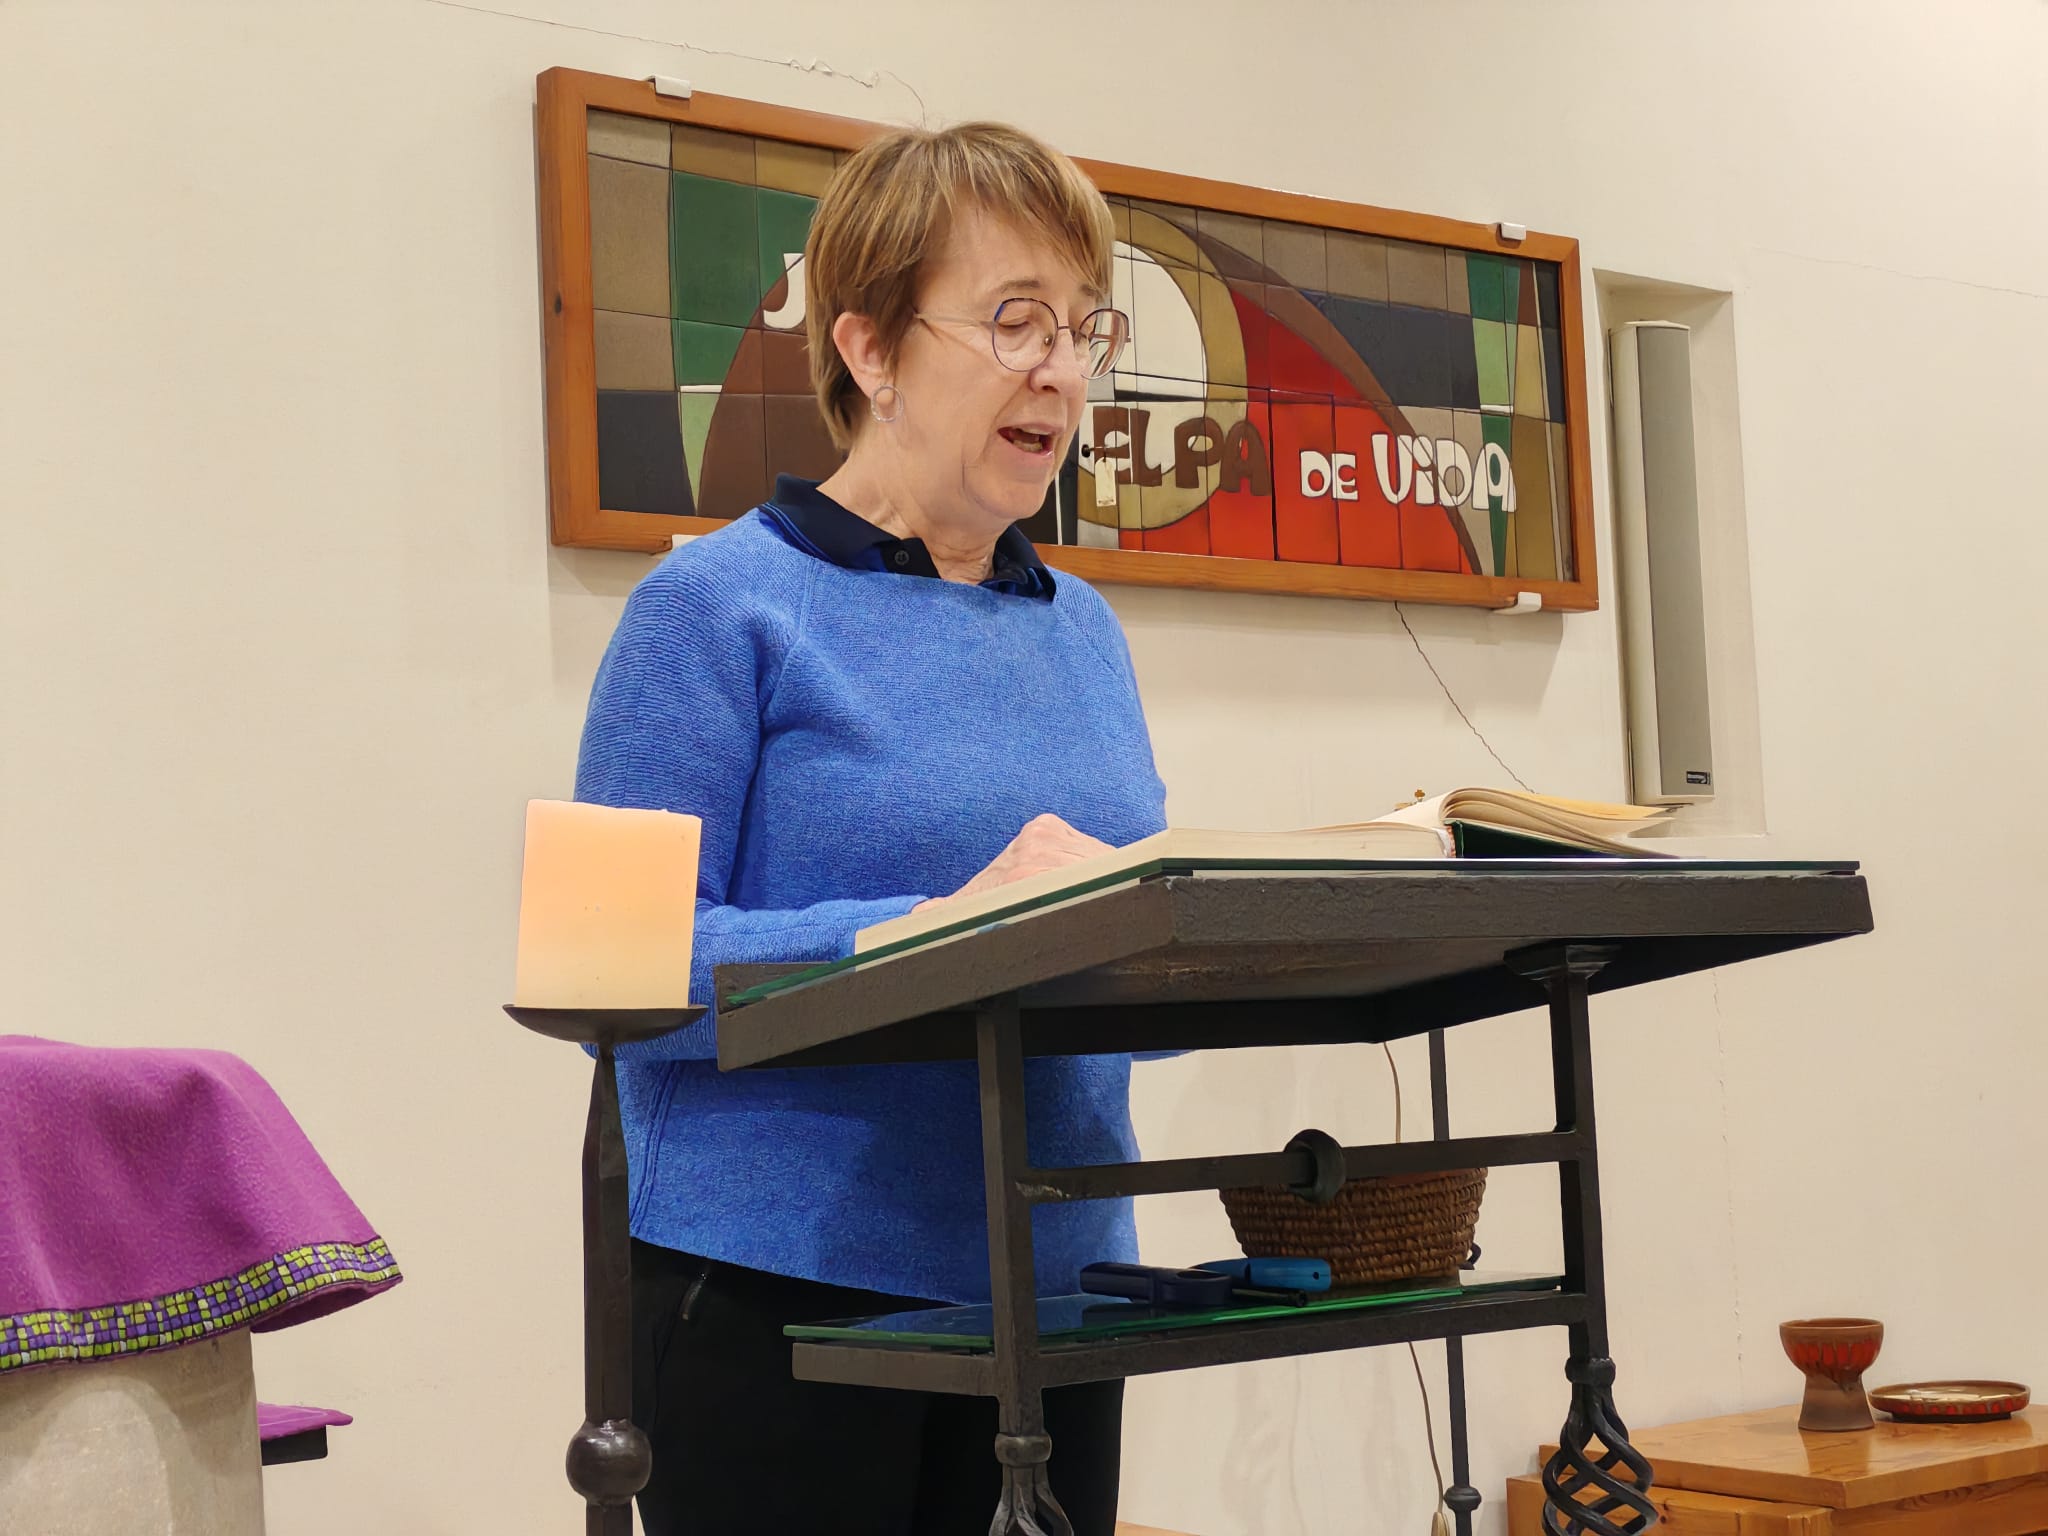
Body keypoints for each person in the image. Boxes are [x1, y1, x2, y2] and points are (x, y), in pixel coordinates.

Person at [573, 120, 1166, 1536]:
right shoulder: (713, 609)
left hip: (1060, 1285)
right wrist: (929, 934)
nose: (1062, 370)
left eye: (1085, 326)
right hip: (782, 1300)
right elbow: (613, 970)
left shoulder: (1084, 631)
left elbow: (1113, 971)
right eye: (1015, 320)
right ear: (870, 349)